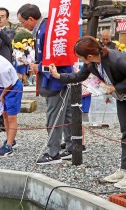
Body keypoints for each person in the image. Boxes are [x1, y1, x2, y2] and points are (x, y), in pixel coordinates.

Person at [49, 35, 126, 188]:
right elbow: (79, 76)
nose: (80, 60)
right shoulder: (92, 63)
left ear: (89, 56)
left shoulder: (117, 59)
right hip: (122, 98)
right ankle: (123, 170)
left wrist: (115, 88)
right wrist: (58, 76)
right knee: (125, 133)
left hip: (120, 92)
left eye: (80, 57)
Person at [17, 4, 73, 164]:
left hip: (56, 79)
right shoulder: (47, 28)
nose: (23, 26)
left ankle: (53, 153)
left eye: (23, 22)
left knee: (54, 116)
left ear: (31, 19)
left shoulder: (46, 30)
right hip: (61, 76)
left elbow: (57, 57)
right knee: (67, 113)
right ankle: (71, 146)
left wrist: (39, 66)